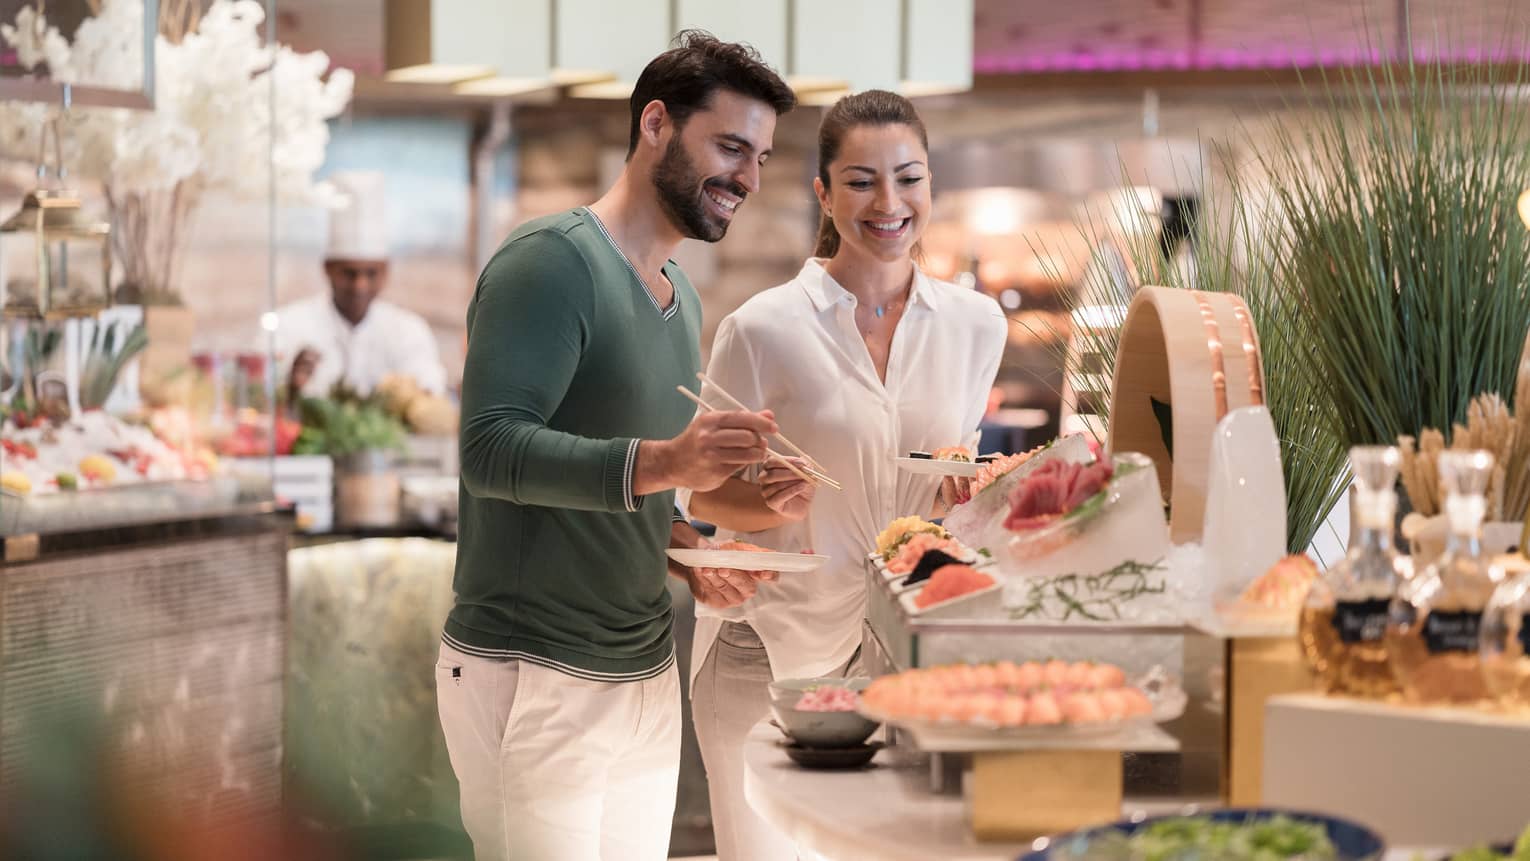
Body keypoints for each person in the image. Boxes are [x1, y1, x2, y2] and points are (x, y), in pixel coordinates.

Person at [435, 32, 797, 861]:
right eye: (731, 145)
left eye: (762, 157)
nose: (746, 176)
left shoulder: (684, 301)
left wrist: (687, 547)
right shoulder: (551, 263)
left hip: (642, 667)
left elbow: (617, 479)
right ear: (657, 124)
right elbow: (489, 451)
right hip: (534, 668)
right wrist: (671, 461)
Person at [685, 90, 1008, 861]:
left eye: (909, 177)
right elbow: (700, 494)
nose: (889, 202)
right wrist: (764, 501)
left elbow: (943, 488)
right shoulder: (762, 328)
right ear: (824, 193)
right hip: (765, 645)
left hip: (900, 650)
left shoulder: (976, 325)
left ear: (932, 186)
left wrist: (972, 493)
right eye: (861, 181)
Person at [272, 171, 448, 399]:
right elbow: (257, 394)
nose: (360, 286)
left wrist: (414, 395)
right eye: (349, 273)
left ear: (386, 271)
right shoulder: (289, 326)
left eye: (371, 273)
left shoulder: (407, 331)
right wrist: (289, 387)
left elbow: (430, 387)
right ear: (327, 268)